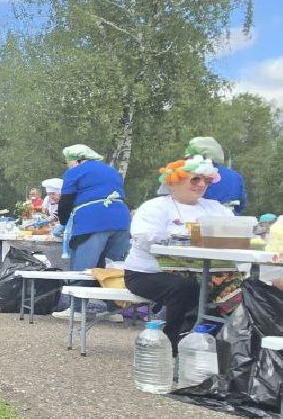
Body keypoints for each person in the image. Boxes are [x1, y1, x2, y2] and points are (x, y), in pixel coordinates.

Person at [123, 157, 234, 350]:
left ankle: (224, 342)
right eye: (195, 179)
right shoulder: (155, 206)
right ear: (173, 182)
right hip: (148, 273)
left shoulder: (214, 207)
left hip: (205, 272)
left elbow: (236, 230)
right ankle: (170, 342)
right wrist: (184, 236)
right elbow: (142, 236)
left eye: (206, 180)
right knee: (184, 288)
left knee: (241, 288)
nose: (201, 185)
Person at [52, 144, 131, 319]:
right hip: (121, 220)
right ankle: (115, 310)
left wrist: (64, 223)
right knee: (113, 267)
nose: (68, 165)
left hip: (93, 220)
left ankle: (78, 311)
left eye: (69, 162)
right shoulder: (111, 171)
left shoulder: (75, 171)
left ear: (78, 160)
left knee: (83, 266)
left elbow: (65, 201)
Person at [186, 136, 247, 212]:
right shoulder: (236, 176)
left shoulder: (195, 175)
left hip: (203, 220)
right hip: (231, 219)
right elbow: (241, 204)